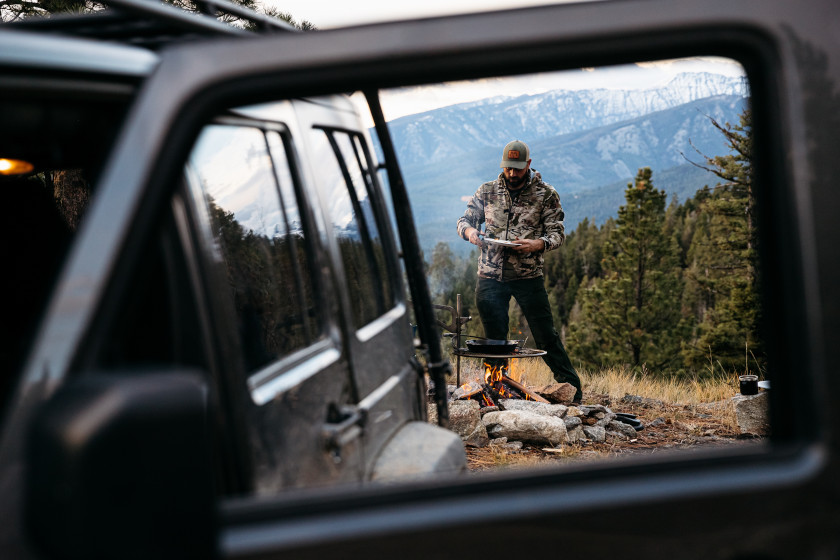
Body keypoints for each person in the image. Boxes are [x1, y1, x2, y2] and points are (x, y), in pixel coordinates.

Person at [457, 140, 583, 404]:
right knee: (494, 340)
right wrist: (470, 233)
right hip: (490, 277)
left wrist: (537, 244)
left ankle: (572, 390)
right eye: (508, 168)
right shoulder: (487, 190)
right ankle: (495, 391)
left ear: (528, 164)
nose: (512, 174)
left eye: (517, 169)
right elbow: (465, 220)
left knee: (545, 335)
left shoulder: (546, 194)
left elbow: (557, 234)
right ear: (502, 165)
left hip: (528, 278)